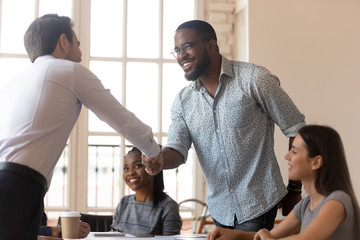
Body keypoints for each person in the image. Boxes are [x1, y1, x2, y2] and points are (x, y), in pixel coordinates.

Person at [0, 14, 162, 240]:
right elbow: (122, 120)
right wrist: (153, 153)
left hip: (17, 187)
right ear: (63, 41)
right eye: (77, 43)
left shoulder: (14, 82)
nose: (80, 52)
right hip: (19, 189)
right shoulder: (68, 71)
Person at [142, 20, 306, 237]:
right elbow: (177, 150)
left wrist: (294, 189)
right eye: (177, 50)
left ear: (211, 44)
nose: (182, 55)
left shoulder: (254, 79)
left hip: (258, 202)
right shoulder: (183, 101)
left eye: (188, 46)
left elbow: (297, 128)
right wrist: (160, 159)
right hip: (220, 208)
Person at [253, 125, 360, 240]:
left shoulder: (337, 201)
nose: (287, 156)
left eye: (294, 151)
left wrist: (266, 237)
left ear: (316, 162)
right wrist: (235, 234)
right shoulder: (306, 204)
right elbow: (270, 235)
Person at [111, 147, 182, 236]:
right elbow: (113, 236)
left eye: (138, 166)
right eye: (126, 169)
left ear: (153, 168)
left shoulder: (168, 207)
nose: (130, 173)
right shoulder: (123, 203)